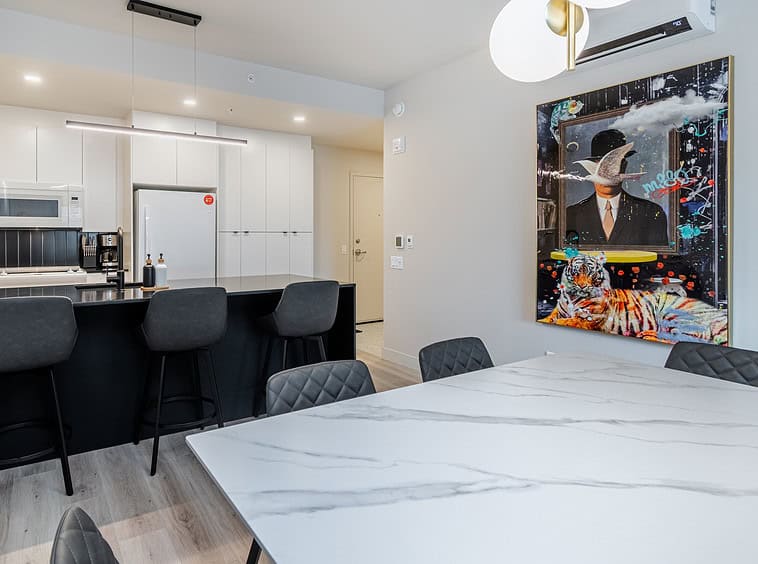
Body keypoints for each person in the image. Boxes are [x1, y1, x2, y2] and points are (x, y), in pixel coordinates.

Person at [565, 129, 668, 247]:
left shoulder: (651, 212)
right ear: (590, 168)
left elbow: (658, 256)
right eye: (600, 164)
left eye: (615, 163)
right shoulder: (571, 214)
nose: (607, 172)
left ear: (624, 165)